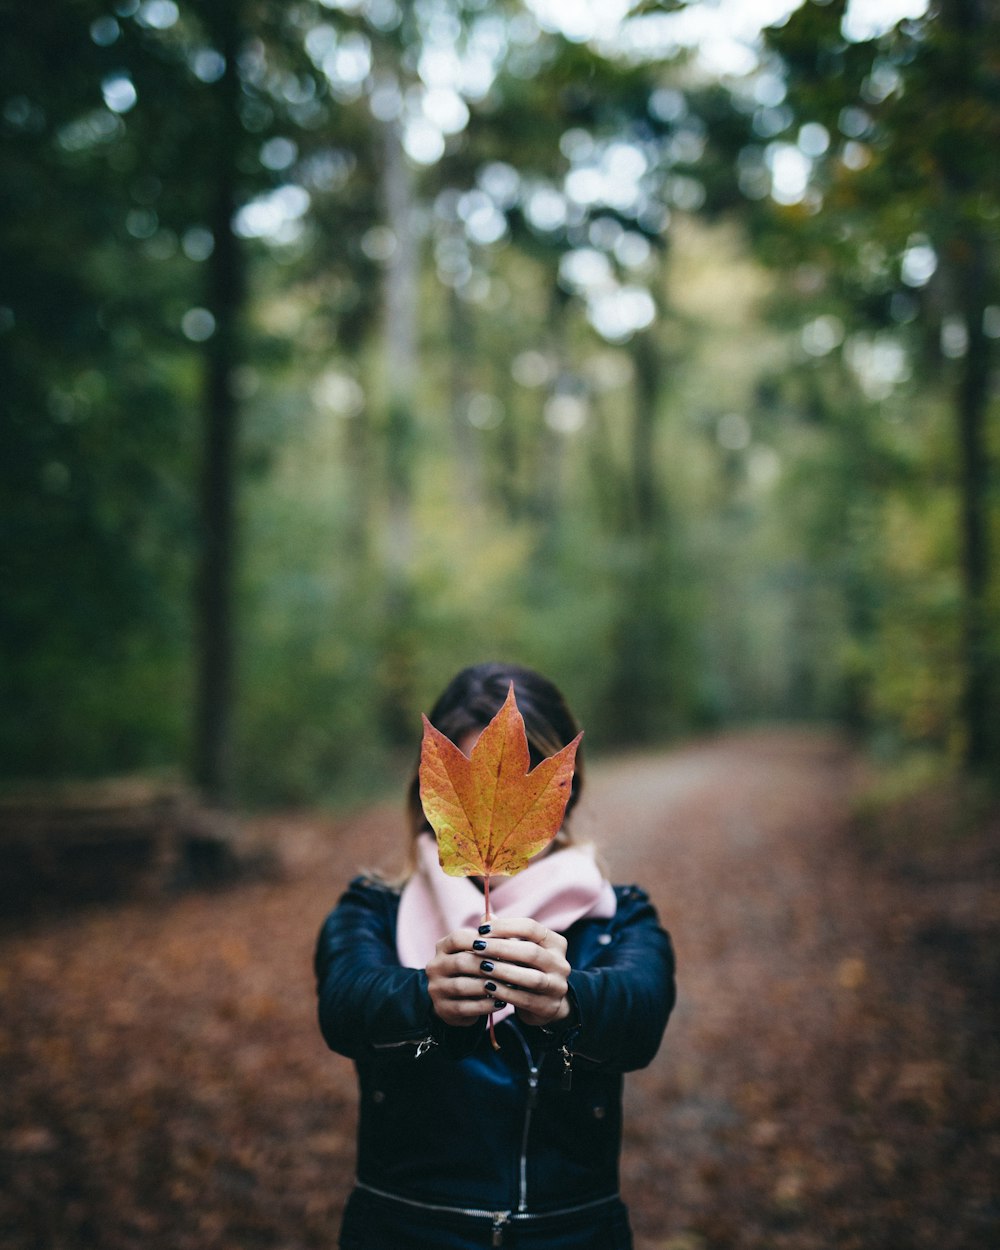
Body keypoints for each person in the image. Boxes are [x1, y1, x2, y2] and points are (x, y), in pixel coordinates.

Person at [314, 662, 676, 1249]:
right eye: (467, 792)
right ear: (432, 795)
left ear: (564, 792)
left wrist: (568, 1000)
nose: (492, 810)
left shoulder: (616, 916)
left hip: (569, 1234)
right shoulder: (374, 907)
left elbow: (642, 1014)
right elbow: (346, 1004)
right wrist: (423, 998)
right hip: (406, 1230)